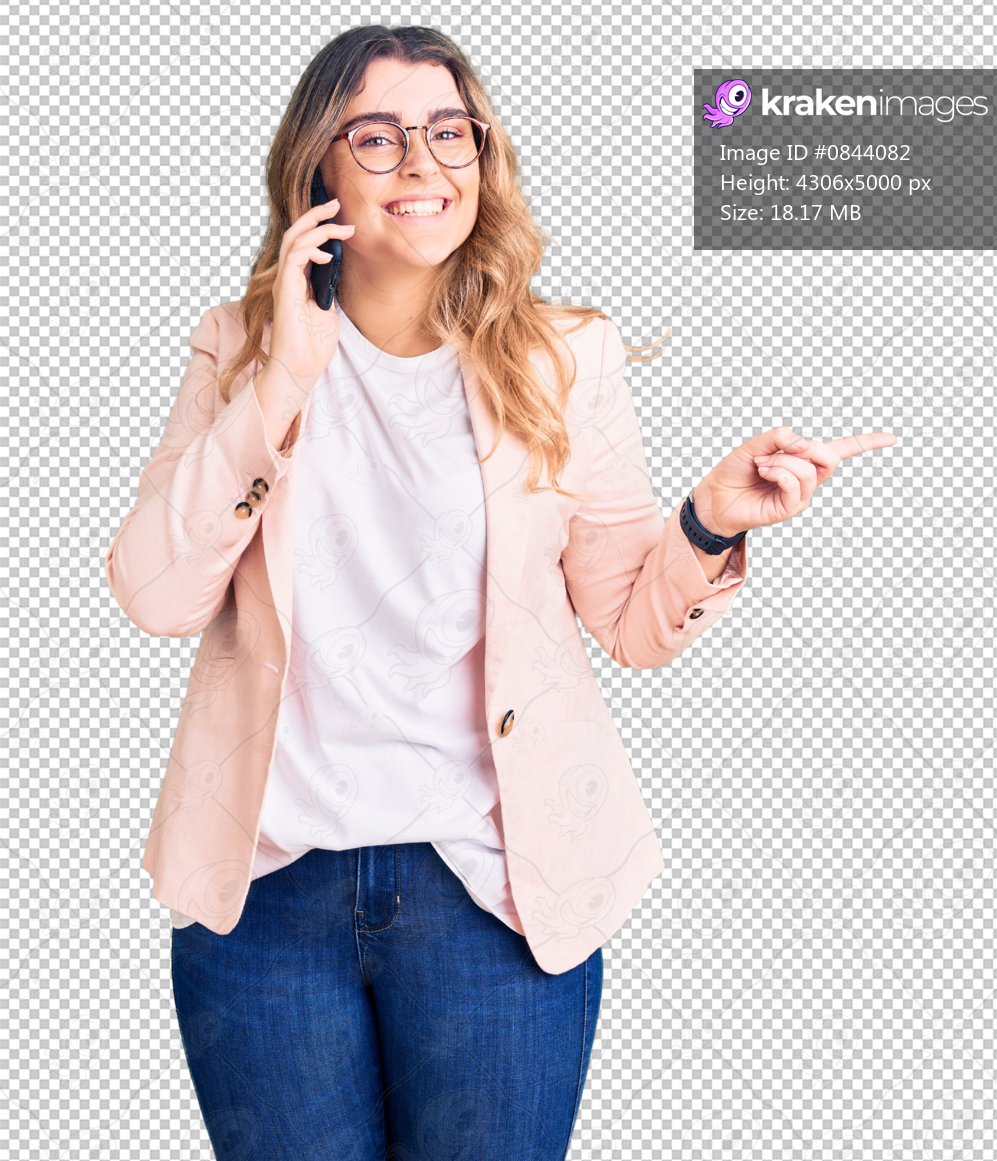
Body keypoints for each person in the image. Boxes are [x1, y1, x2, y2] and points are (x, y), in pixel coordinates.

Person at [104, 23, 898, 1161]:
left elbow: (627, 618)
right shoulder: (235, 347)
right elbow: (155, 594)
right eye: (376, 137)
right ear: (317, 168)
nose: (423, 165)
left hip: (489, 893)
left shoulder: (564, 356)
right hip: (266, 900)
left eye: (447, 132)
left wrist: (708, 521)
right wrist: (281, 376)